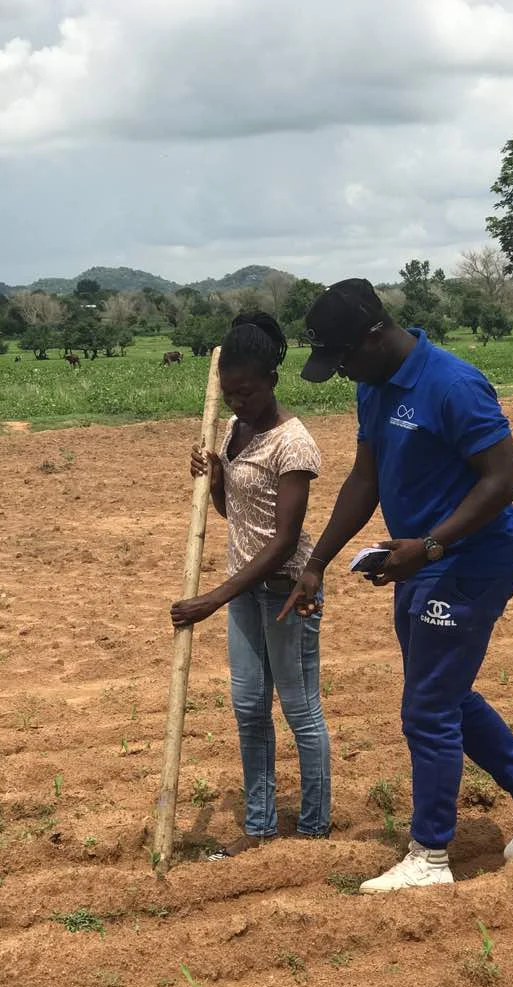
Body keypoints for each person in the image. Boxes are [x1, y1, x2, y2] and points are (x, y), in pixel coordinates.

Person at [280, 279, 513, 893]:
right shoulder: (373, 386)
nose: (341, 373)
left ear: (374, 334)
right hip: (421, 560)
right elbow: (365, 478)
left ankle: (430, 856)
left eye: (344, 358)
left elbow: (504, 479)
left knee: (427, 708)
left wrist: (432, 545)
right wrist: (317, 559)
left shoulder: (453, 384)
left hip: (470, 561)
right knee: (442, 693)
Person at [170, 313, 330, 857]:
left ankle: (313, 828)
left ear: (272, 382)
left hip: (286, 589)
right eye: (229, 392)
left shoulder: (295, 443)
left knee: (301, 710)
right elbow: (232, 514)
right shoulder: (235, 431)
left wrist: (213, 598)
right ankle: (260, 827)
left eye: (248, 391)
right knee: (248, 707)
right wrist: (216, 477)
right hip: (242, 591)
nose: (238, 401)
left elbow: (283, 540)